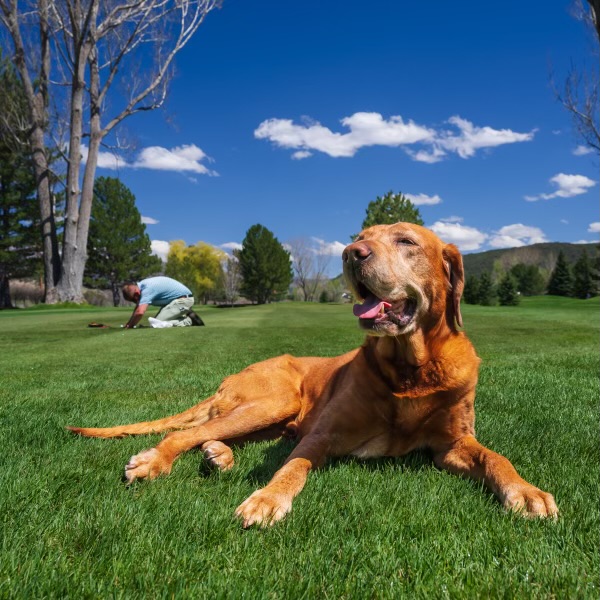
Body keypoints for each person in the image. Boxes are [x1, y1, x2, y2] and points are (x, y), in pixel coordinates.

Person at [121, 276, 205, 329]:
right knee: (156, 322)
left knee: (157, 324)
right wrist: (129, 323)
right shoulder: (142, 285)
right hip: (175, 301)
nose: (136, 302)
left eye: (134, 300)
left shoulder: (147, 290)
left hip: (183, 300)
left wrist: (131, 326)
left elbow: (140, 312)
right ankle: (183, 313)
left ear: (136, 294)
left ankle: (189, 321)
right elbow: (138, 308)